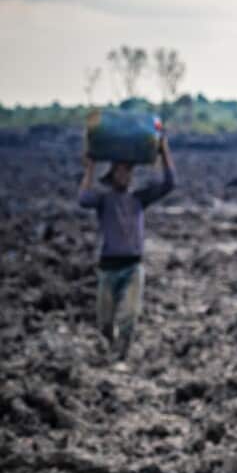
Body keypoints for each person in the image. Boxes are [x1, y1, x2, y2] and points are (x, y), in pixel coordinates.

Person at [79, 136, 176, 361]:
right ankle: (110, 345)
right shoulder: (104, 199)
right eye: (120, 172)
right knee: (105, 321)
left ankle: (120, 357)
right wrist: (90, 167)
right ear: (112, 176)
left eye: (128, 172)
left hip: (133, 266)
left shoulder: (138, 199)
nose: (125, 176)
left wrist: (164, 151)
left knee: (130, 316)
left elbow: (169, 184)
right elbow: (83, 198)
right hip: (108, 267)